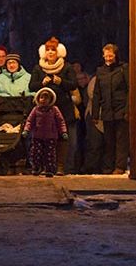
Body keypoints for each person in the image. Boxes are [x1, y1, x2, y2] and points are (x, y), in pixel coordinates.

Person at [29, 37, 79, 175]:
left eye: (53, 50)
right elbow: (32, 86)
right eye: (48, 50)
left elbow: (74, 84)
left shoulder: (66, 67)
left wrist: (61, 81)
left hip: (64, 109)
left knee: (64, 139)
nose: (50, 52)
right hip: (44, 112)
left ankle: (63, 166)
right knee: (45, 140)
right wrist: (42, 83)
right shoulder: (38, 68)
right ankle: (46, 166)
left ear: (59, 52)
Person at [91, 43, 130, 174]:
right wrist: (95, 114)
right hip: (107, 110)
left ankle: (120, 166)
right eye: (106, 55)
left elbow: (129, 89)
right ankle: (108, 166)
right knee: (108, 141)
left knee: (121, 140)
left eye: (110, 55)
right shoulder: (100, 71)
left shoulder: (123, 69)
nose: (108, 58)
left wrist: (127, 109)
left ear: (116, 55)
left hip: (120, 108)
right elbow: (97, 93)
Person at [23, 87, 67, 178]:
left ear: (50, 100)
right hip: (37, 136)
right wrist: (26, 130)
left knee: (49, 154)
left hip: (51, 136)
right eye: (41, 98)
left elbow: (60, 121)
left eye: (46, 98)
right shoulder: (36, 109)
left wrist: (63, 132)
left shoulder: (54, 109)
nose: (43, 100)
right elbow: (30, 121)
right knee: (36, 153)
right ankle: (36, 168)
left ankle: (49, 169)